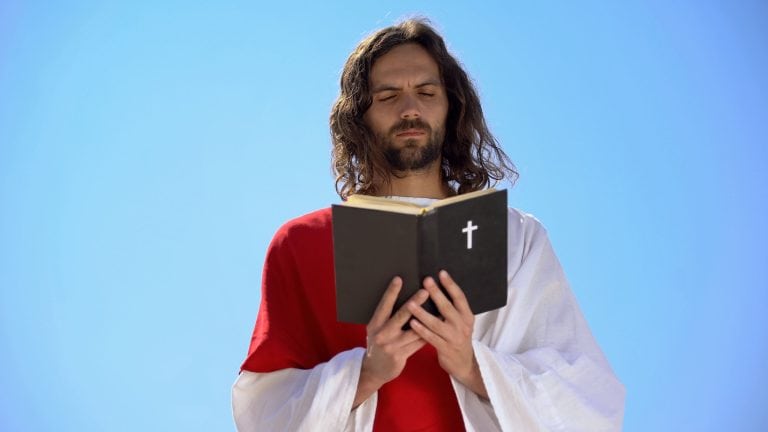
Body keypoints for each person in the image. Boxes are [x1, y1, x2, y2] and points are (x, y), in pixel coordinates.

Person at [232, 19, 625, 431]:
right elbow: (263, 409)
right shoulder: (303, 243)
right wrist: (366, 372)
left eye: (426, 92)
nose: (409, 109)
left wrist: (471, 365)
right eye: (387, 96)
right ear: (358, 117)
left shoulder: (516, 239)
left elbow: (590, 400)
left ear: (451, 105)